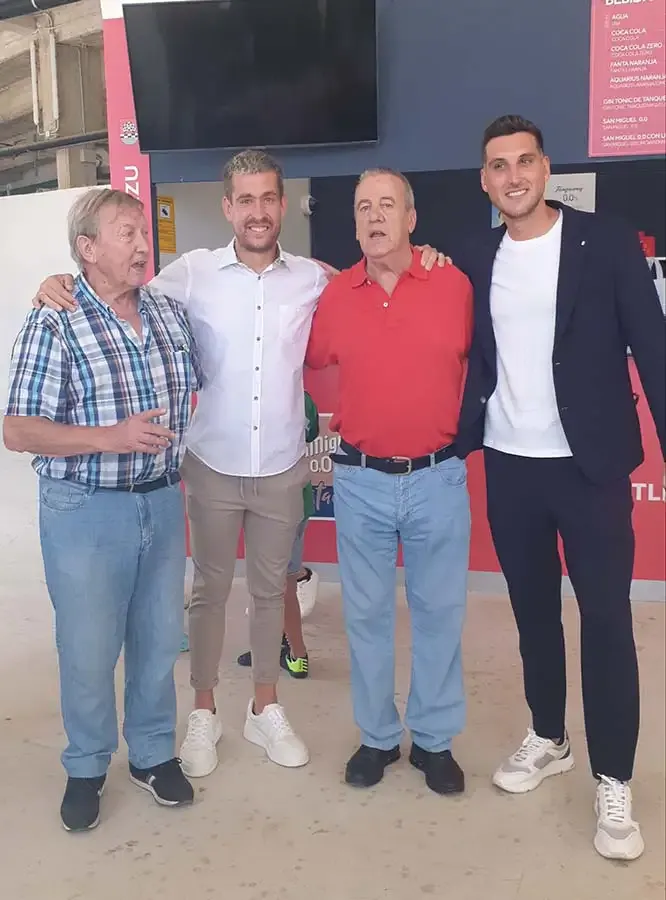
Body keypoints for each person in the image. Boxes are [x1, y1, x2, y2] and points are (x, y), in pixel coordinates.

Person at [33, 151, 445, 780]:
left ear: (282, 205)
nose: (257, 211)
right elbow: (114, 286)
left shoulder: (314, 279)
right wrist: (58, 280)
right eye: (245, 200)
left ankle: (264, 707)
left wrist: (427, 256)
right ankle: (204, 711)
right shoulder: (191, 274)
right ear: (228, 207)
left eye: (268, 198)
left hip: (282, 466)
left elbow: (378, 280)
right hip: (211, 465)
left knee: (271, 591)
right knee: (208, 593)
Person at [455, 115, 666, 860]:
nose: (512, 176)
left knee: (606, 620)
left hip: (590, 467)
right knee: (533, 615)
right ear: (484, 181)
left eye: (524, 161)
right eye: (498, 165)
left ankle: (614, 778)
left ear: (545, 169)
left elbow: (654, 349)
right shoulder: (474, 254)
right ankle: (549, 736)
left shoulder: (605, 242)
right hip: (510, 465)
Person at [3, 188, 200, 832]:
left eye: (144, 231)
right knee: (88, 649)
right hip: (85, 510)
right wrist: (109, 437)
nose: (143, 244)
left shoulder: (168, 313)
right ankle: (87, 766)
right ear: (87, 249)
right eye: (126, 233)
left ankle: (152, 754)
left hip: (162, 501)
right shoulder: (54, 321)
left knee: (158, 639)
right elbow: (18, 429)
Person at [306, 169, 473, 795]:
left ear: (411, 218)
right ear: (354, 223)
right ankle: (377, 737)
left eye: (386, 205)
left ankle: (433, 740)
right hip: (361, 481)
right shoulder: (335, 295)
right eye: (363, 208)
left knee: (439, 615)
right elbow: (306, 351)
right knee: (367, 617)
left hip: (437, 477)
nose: (375, 216)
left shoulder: (453, 284)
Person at [237, 390, 321, 678]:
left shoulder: (264, 398)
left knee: (279, 587)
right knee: (269, 582)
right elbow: (311, 434)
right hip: (284, 500)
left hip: (277, 503)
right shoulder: (302, 397)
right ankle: (270, 646)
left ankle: (297, 655)